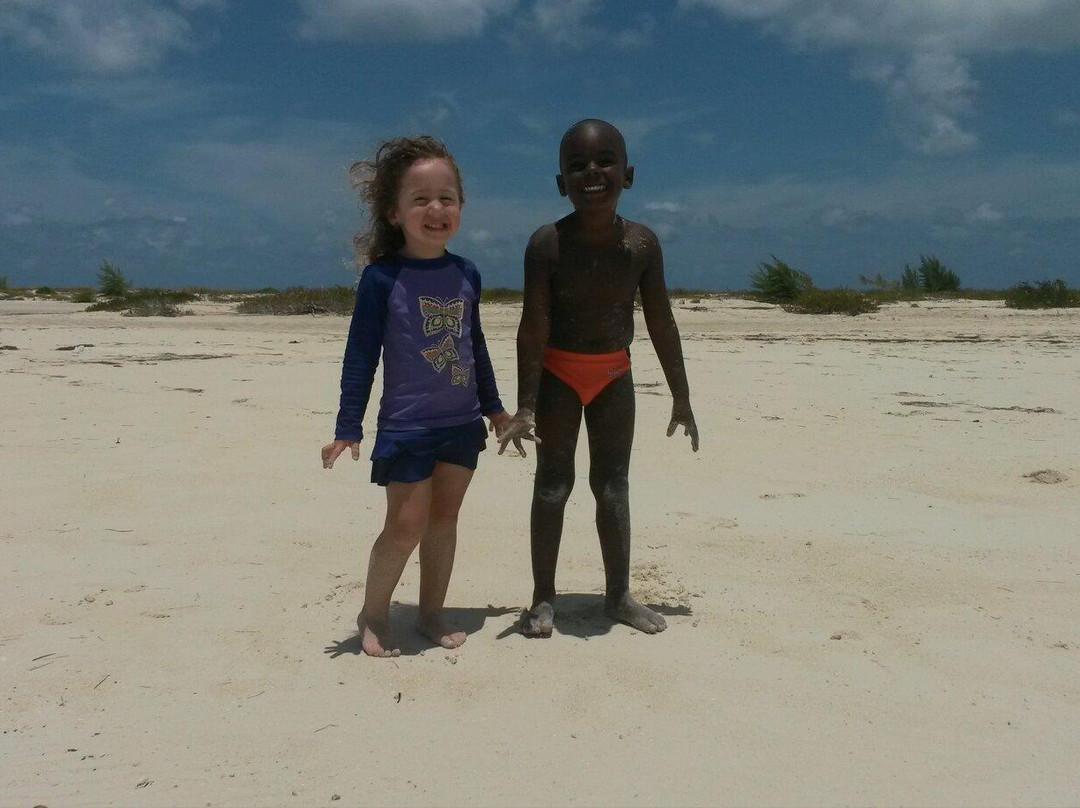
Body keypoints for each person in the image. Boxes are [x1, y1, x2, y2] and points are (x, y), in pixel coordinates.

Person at [499, 119, 699, 638]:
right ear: (561, 182)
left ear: (627, 175)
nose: (592, 172)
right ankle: (543, 598)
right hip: (559, 374)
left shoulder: (642, 244)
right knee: (552, 485)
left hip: (613, 373)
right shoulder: (546, 244)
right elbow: (533, 325)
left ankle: (619, 595)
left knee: (612, 486)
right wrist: (526, 405)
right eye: (577, 165)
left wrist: (681, 396)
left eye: (605, 161)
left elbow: (660, 320)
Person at [322, 135, 511, 657]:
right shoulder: (382, 278)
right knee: (405, 526)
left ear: (461, 206)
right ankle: (374, 613)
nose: (435, 209)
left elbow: (473, 346)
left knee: (444, 524)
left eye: (447, 198)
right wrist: (348, 426)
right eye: (421, 199)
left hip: (461, 423)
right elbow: (361, 356)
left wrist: (495, 409)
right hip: (407, 427)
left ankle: (430, 612)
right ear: (394, 211)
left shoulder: (466, 273)